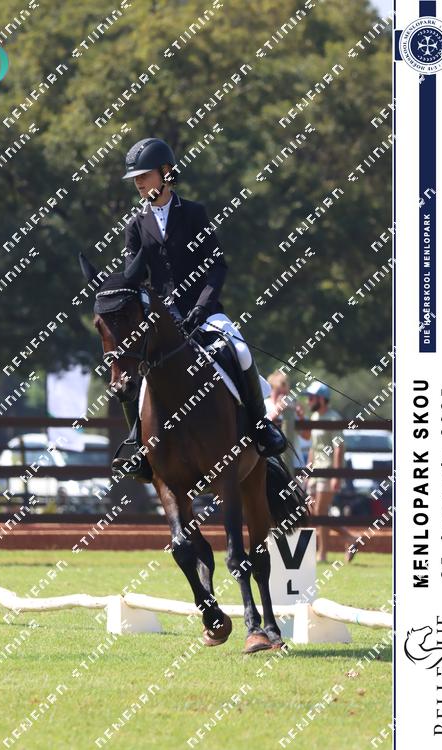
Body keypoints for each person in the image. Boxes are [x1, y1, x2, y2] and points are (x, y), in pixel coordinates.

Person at [111, 137, 286, 481]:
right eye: (135, 178)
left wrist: (200, 309)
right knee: (130, 370)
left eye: (144, 175)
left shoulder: (193, 214)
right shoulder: (135, 224)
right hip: (162, 321)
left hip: (203, 313)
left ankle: (261, 427)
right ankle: (137, 444)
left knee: (240, 351)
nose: (138, 183)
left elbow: (216, 267)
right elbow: (134, 277)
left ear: (165, 173)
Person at [300, 381, 357, 563]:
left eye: (311, 397)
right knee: (314, 512)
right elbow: (313, 446)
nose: (308, 401)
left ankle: (322, 553)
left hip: (328, 470)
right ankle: (350, 537)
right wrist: (308, 470)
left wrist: (336, 475)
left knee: (320, 512)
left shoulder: (333, 418)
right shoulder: (315, 416)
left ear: (322, 399)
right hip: (315, 471)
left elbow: (339, 448)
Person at [264, 371, 309, 472]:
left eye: (285, 393)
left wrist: (301, 417)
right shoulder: (264, 405)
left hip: (295, 464)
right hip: (271, 464)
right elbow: (261, 426)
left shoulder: (293, 406)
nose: (282, 397)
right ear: (271, 390)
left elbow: (307, 436)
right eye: (279, 392)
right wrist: (278, 410)